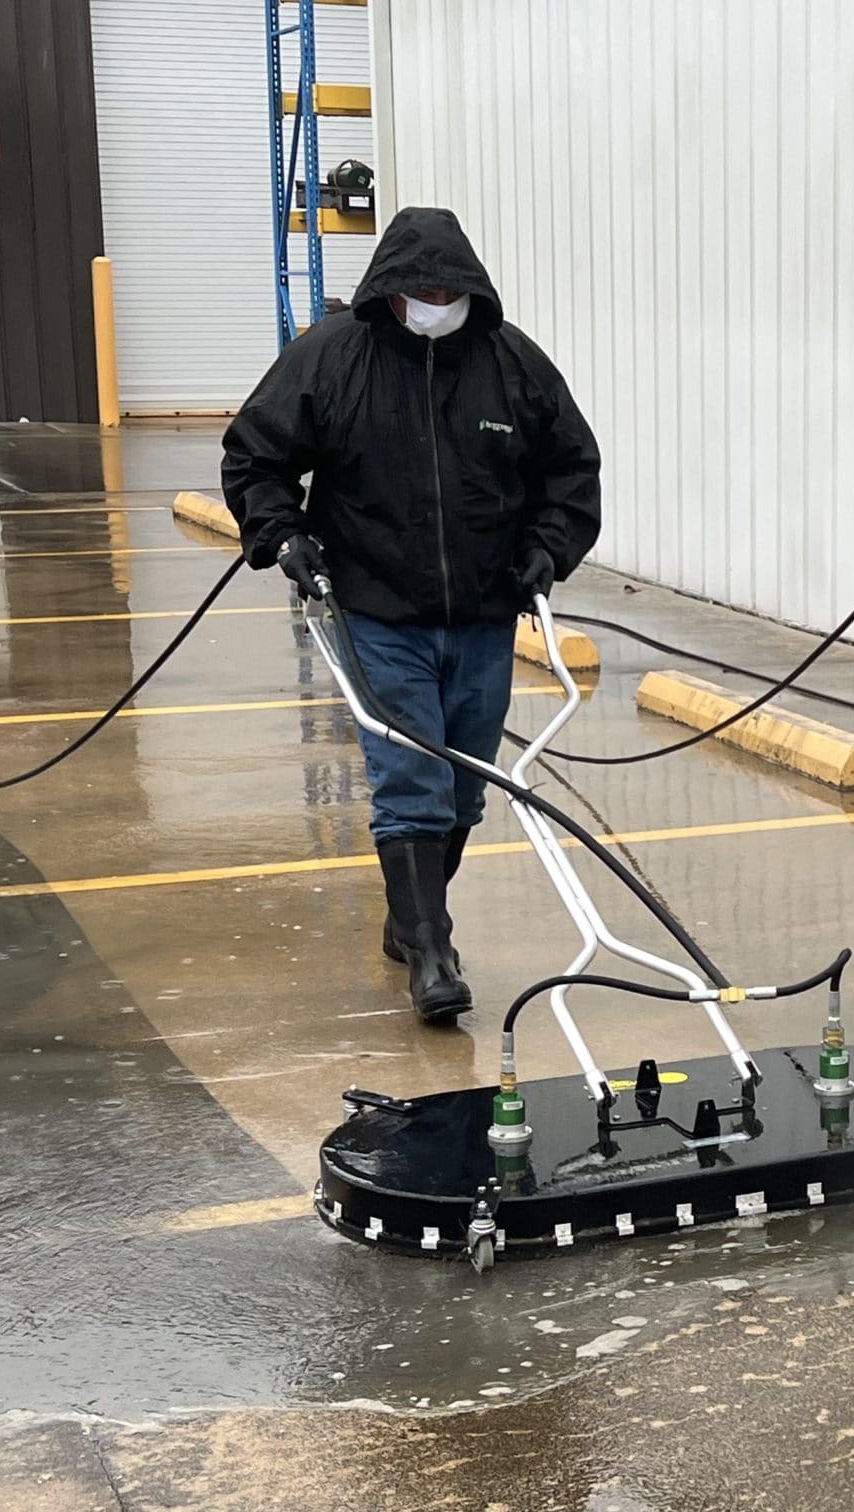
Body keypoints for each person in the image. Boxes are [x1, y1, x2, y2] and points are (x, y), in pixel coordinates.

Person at [223, 207, 602, 1024]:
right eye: (419, 289)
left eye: (446, 288)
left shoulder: (513, 367)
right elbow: (257, 454)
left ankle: (409, 919)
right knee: (409, 778)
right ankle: (433, 951)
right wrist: (281, 533)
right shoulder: (330, 361)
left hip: (483, 613)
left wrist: (547, 549)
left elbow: (570, 468)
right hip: (375, 607)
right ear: (389, 291)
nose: (434, 301)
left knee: (464, 788)